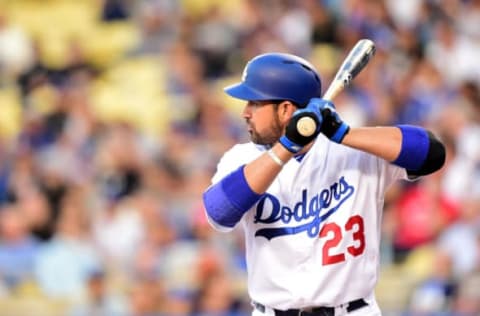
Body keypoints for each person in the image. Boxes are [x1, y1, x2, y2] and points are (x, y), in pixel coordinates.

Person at [202, 52, 446, 316]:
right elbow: (218, 213)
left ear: (285, 110)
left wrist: (345, 133)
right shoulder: (243, 158)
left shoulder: (354, 150)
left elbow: (431, 154)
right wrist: (286, 147)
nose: (245, 113)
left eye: (254, 103)